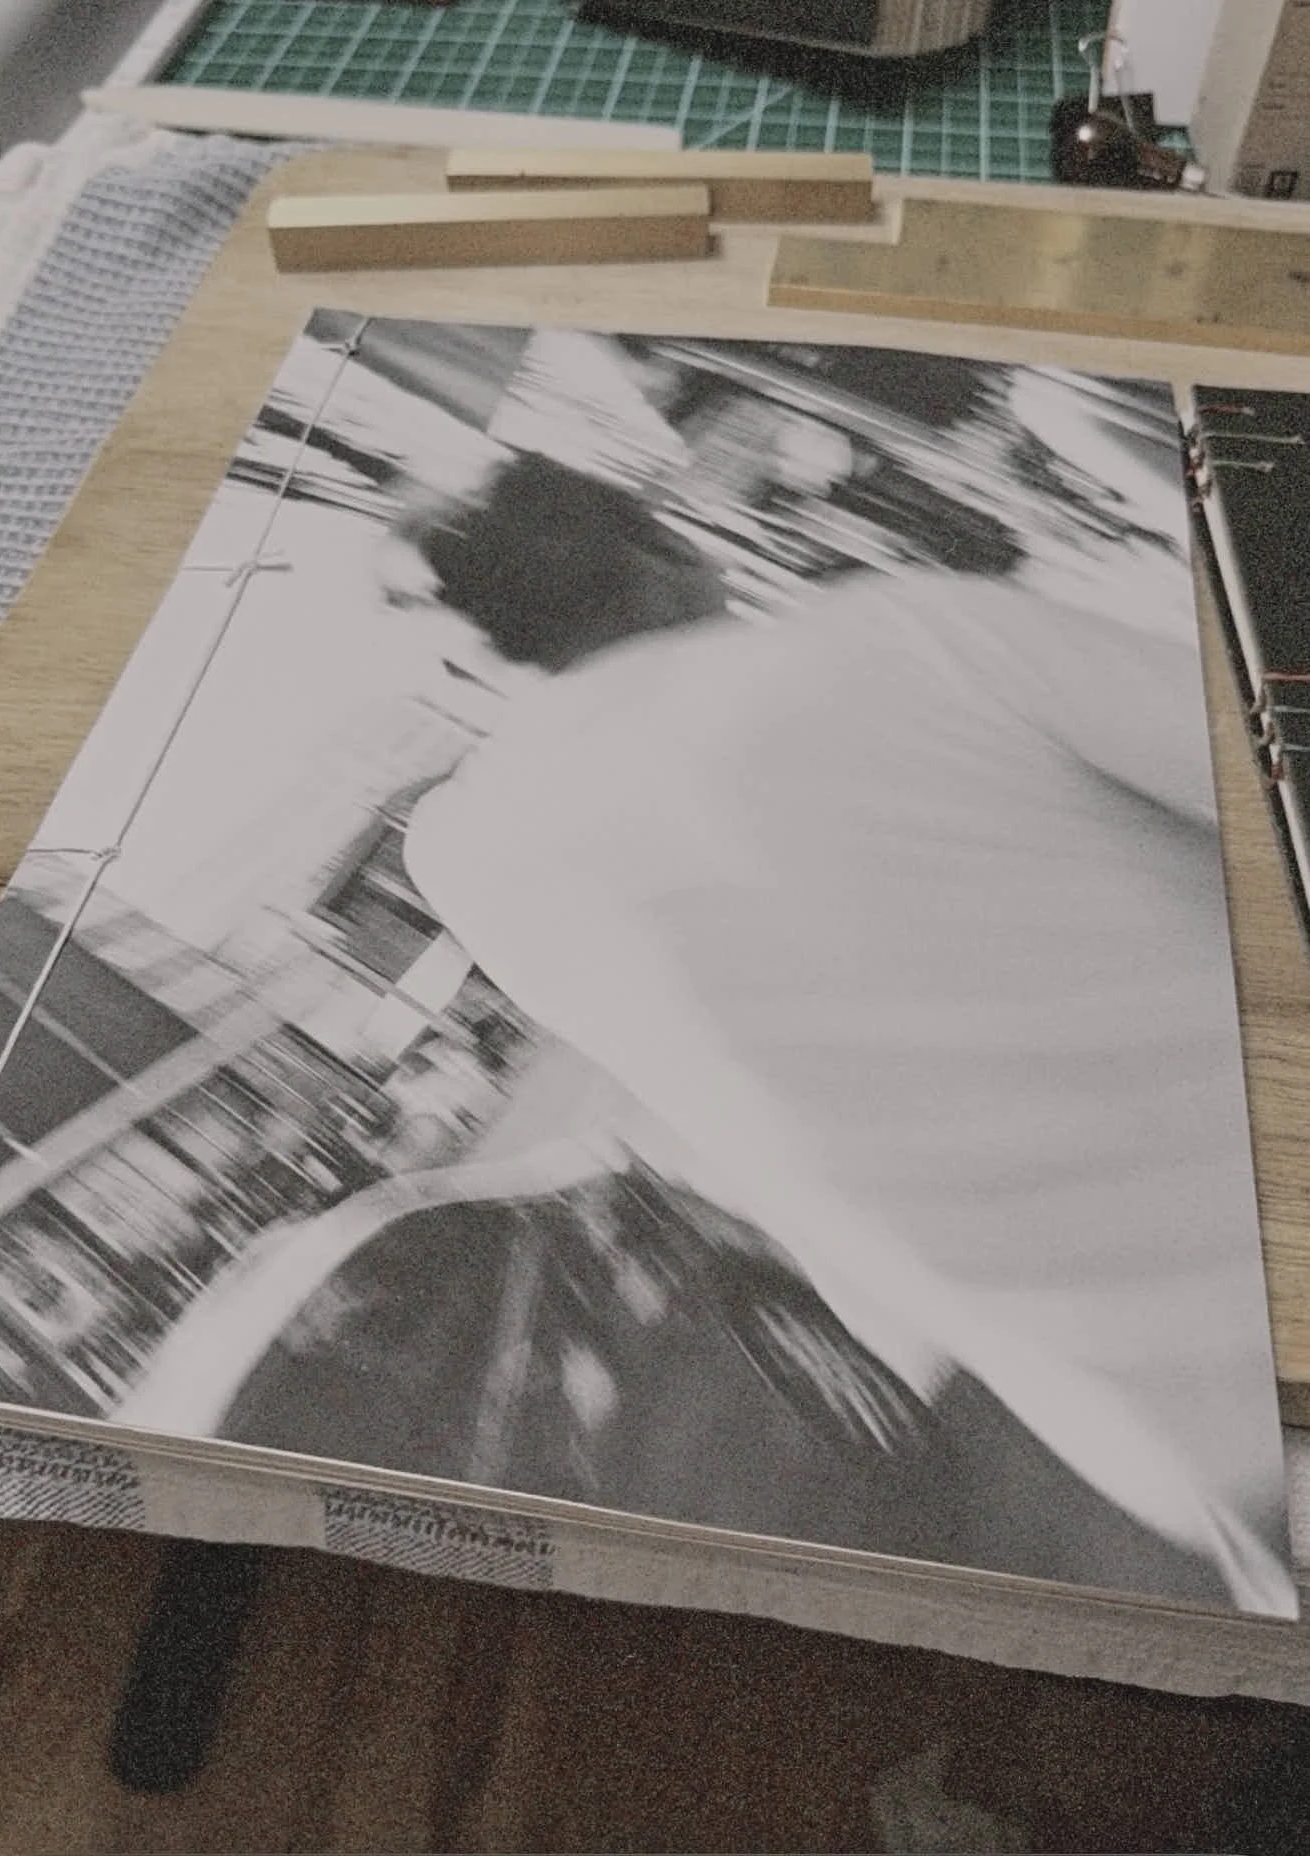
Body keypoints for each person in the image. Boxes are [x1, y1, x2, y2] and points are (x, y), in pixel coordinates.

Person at [390, 450, 1294, 1613]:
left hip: (1190, 1458)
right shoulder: (899, 636)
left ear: (492, 655)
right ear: (669, 550)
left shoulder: (480, 860)